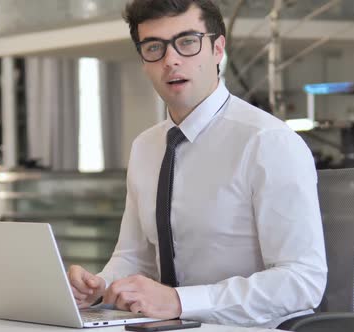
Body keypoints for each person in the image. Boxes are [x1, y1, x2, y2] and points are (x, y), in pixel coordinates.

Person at [67, 0, 327, 328]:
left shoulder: (268, 142)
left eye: (187, 42)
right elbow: (134, 258)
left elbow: (303, 281)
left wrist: (179, 301)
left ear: (218, 49)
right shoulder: (146, 147)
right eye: (153, 47)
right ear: (143, 60)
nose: (170, 59)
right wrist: (98, 287)